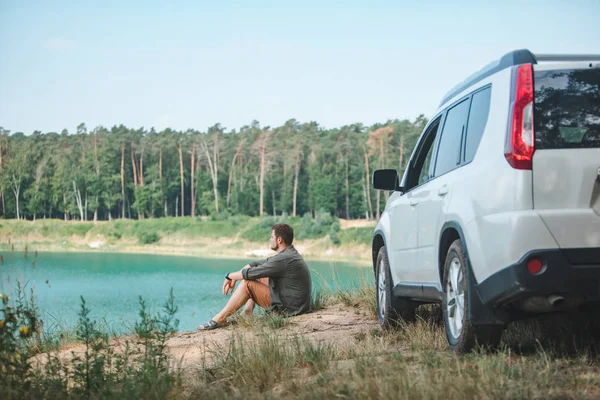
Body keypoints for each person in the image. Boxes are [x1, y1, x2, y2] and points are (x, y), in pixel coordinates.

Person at [198, 223, 312, 330]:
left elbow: (252, 273)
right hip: (296, 304)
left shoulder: (283, 259)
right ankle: (247, 313)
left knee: (248, 283)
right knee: (255, 276)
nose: (270, 239)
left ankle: (219, 318)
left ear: (279, 240)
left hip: (289, 309)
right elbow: (257, 264)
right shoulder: (288, 254)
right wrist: (238, 273)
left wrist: (229, 276)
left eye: (271, 237)